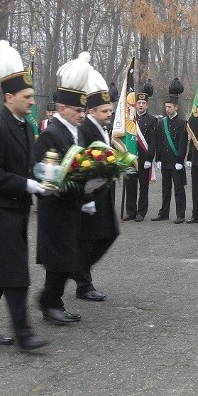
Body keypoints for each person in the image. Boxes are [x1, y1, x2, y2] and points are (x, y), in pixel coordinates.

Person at [0, 40, 48, 351]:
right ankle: (24, 334)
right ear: (9, 97)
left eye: (32, 96)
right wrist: (26, 185)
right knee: (14, 272)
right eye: (27, 97)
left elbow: (28, 165)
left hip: (14, 210)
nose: (32, 101)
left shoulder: (26, 127)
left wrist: (45, 176)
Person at [34, 52, 93, 324]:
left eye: (83, 110)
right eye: (78, 110)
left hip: (71, 204)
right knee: (58, 259)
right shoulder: (51, 134)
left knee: (66, 257)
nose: (82, 114)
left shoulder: (76, 132)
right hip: (55, 205)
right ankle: (49, 302)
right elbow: (49, 175)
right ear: (62, 109)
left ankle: (52, 301)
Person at [76, 59, 120, 301]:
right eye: (105, 111)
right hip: (90, 192)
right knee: (87, 238)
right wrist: (86, 196)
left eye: (110, 111)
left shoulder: (103, 128)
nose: (109, 114)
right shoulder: (84, 130)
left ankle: (80, 270)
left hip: (104, 189)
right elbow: (83, 163)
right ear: (91, 111)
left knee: (109, 233)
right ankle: (83, 283)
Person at [152, 79, 188, 223]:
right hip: (165, 160)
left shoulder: (182, 123)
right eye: (166, 106)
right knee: (165, 188)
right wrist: (158, 158)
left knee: (179, 189)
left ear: (176, 107)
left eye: (170, 107)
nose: (168, 109)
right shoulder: (162, 123)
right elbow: (159, 142)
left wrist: (180, 160)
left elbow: (182, 143)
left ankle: (180, 214)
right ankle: (164, 212)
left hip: (176, 161)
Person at [123, 80, 156, 222]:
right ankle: (130, 211)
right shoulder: (130, 120)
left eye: (143, 103)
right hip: (131, 157)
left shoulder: (152, 120)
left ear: (146, 105)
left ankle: (141, 212)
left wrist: (149, 158)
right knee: (130, 185)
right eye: (139, 103)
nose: (141, 105)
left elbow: (153, 141)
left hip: (143, 158)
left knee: (143, 186)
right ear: (135, 104)